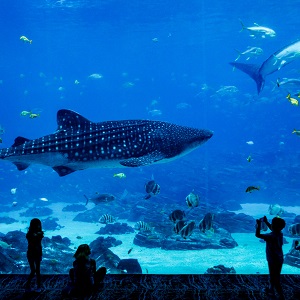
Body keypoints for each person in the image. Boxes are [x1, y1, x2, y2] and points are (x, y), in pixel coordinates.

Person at [255, 216, 286, 300]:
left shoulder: (270, 236)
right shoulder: (280, 233)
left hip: (272, 259)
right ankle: (271, 290)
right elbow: (274, 228)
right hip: (279, 258)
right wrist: (266, 221)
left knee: (275, 279)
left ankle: (281, 296)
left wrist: (258, 225)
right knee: (275, 276)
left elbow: (257, 235)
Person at [25, 218, 44, 292]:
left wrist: (41, 255)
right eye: (38, 224)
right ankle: (27, 285)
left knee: (38, 270)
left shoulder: (40, 234)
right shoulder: (29, 234)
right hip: (31, 253)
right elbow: (32, 238)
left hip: (38, 253)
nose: (39, 226)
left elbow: (39, 240)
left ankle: (39, 286)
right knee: (33, 270)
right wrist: (35, 235)